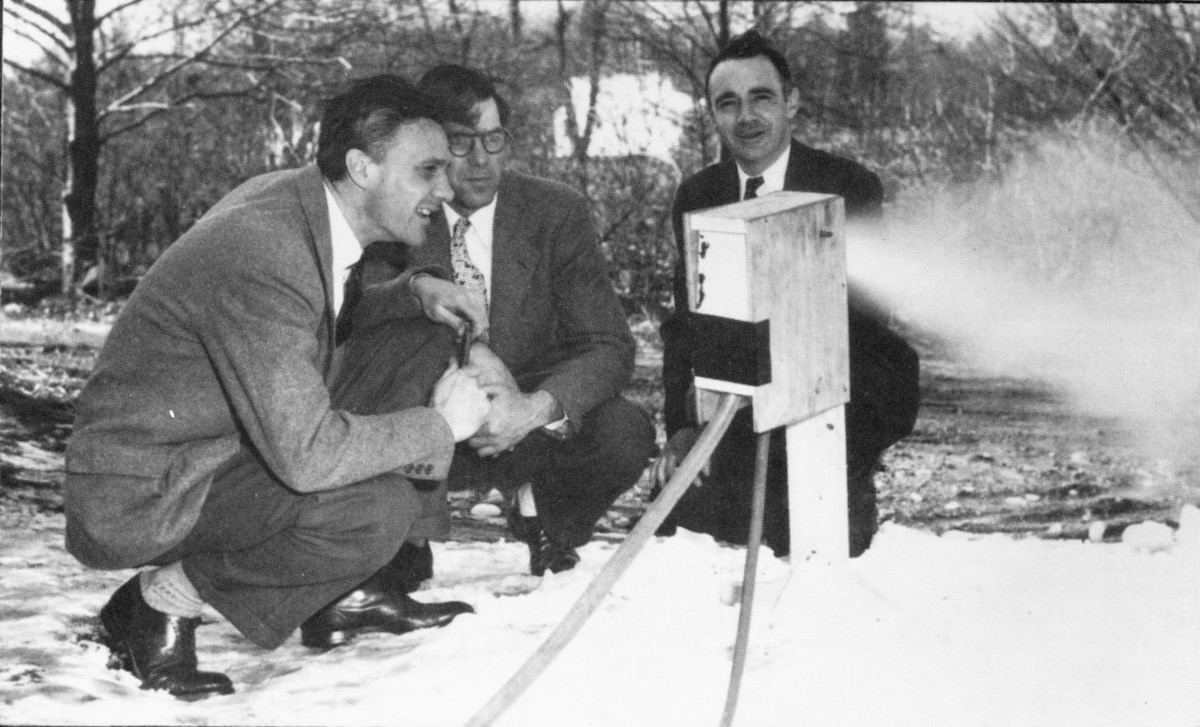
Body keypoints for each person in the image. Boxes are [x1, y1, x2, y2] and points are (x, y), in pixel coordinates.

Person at [64, 74, 497, 700]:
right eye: (427, 171)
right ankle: (155, 604)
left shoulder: (299, 201)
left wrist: (413, 292)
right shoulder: (266, 250)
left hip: (216, 446)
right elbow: (308, 457)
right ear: (362, 168)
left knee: (420, 331)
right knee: (373, 512)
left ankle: (345, 595)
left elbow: (311, 321)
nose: (446, 189)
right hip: (147, 488)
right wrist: (443, 426)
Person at [347, 64, 656, 579]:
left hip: (526, 417)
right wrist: (434, 308)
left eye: (494, 140)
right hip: (431, 417)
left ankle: (545, 518)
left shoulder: (556, 211)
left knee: (624, 433)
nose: (481, 160)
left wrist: (534, 408)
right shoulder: (397, 210)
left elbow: (609, 345)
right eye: (461, 143)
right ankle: (404, 537)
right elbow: (361, 309)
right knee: (399, 572)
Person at [656, 30, 920, 558]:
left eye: (762, 97)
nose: (746, 117)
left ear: (791, 101)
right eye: (728, 103)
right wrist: (683, 429)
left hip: (824, 399)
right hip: (736, 404)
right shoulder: (698, 195)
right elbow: (688, 325)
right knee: (686, 545)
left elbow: (867, 321)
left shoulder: (847, 185)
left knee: (821, 547)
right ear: (712, 113)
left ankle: (846, 483)